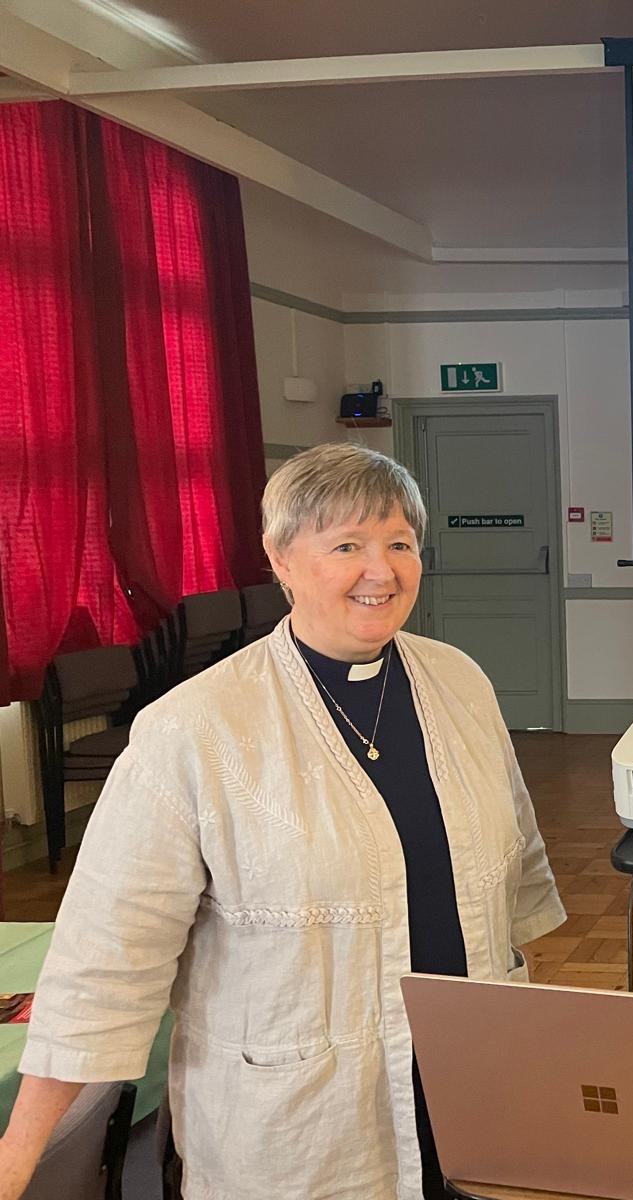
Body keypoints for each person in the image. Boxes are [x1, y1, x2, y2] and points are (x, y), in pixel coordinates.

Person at [0, 444, 567, 1200]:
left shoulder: (459, 682)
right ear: (281, 558)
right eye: (346, 546)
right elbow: (104, 963)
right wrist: (16, 1158)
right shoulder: (194, 729)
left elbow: (512, 890)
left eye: (400, 543)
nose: (382, 570)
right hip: (297, 1128)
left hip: (467, 1093)